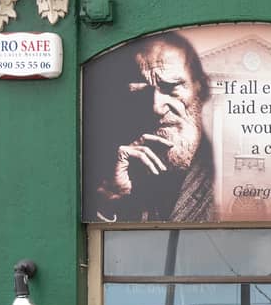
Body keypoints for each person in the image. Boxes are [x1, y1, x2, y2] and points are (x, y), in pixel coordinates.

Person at [90, 30, 216, 223]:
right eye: (140, 90)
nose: (156, 107)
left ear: (202, 88)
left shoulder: (220, 176)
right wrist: (110, 200)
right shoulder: (122, 168)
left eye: (171, 87)